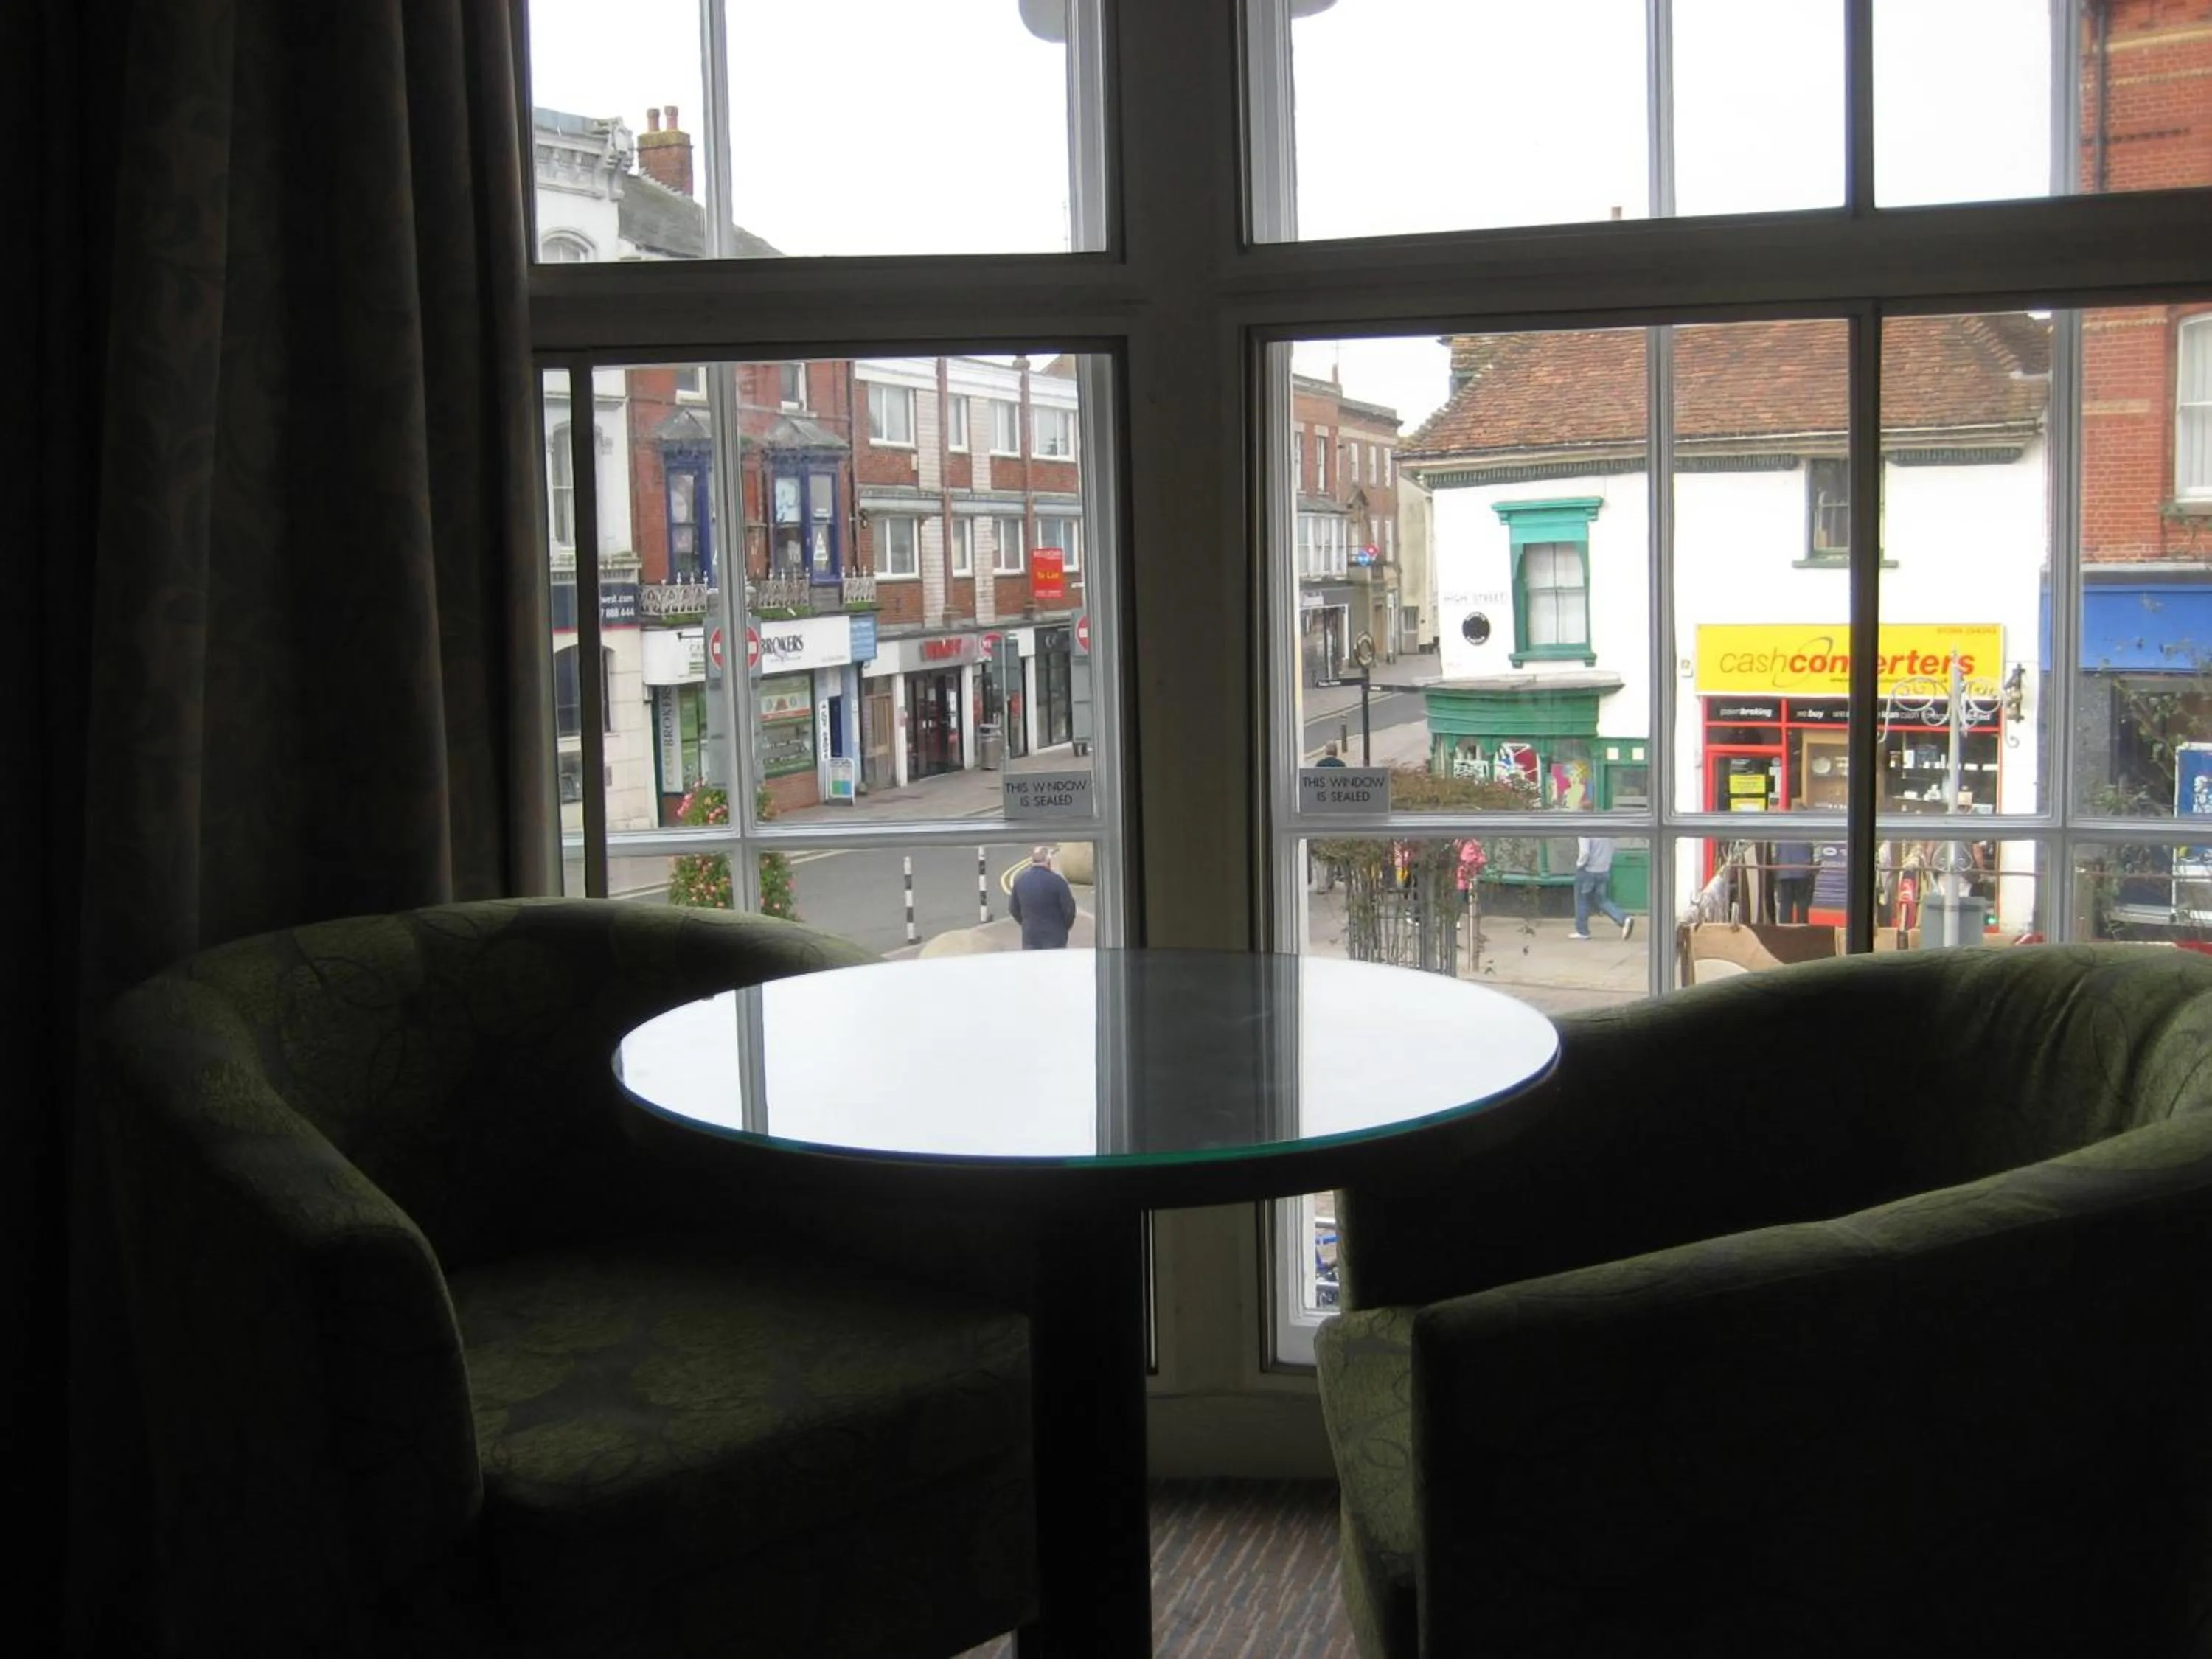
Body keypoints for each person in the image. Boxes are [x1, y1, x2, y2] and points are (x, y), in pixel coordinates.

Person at [1009, 844, 1077, 950]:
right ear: (1048, 861)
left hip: (1030, 936)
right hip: (1055, 936)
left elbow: (1013, 909)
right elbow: (1069, 909)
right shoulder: (1058, 882)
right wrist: (1064, 927)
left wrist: (1026, 923)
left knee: (1034, 965)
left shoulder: (1020, 881)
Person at [1571, 835, 1635, 941]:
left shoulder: (1585, 831)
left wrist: (1580, 865)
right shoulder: (1606, 830)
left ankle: (1582, 931)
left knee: (1582, 900)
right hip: (1603, 870)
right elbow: (1613, 848)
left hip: (1588, 871)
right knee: (1602, 900)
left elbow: (1585, 852)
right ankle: (1624, 919)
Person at [1773, 804, 1816, 925]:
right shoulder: (1809, 831)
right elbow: (1817, 856)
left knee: (1785, 907)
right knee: (1802, 906)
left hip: (1784, 873)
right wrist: (1813, 870)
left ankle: (1784, 935)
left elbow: (1775, 855)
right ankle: (1802, 934)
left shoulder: (1782, 832)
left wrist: (1776, 872)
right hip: (1803, 873)